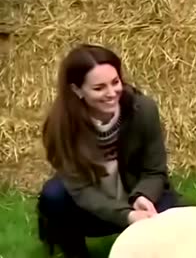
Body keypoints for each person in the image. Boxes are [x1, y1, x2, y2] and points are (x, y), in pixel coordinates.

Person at [36, 44, 180, 258]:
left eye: (115, 82)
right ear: (77, 90)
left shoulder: (143, 110)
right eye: (99, 88)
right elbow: (82, 191)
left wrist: (143, 196)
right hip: (91, 210)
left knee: (178, 220)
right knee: (53, 196)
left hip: (136, 197)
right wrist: (127, 216)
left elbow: (155, 170)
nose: (112, 93)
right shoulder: (60, 128)